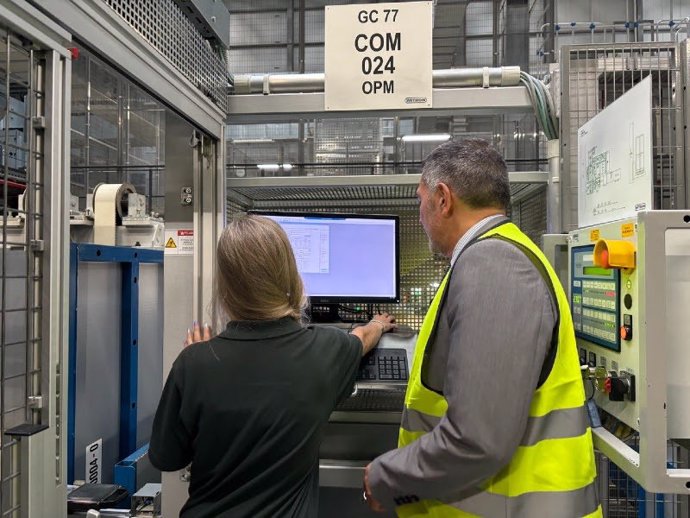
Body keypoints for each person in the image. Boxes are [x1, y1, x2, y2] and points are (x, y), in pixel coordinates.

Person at [363, 138, 601, 517]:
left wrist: (387, 477)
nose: (419, 215)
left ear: (443, 199)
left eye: (419, 200)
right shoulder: (495, 256)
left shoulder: (495, 265)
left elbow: (477, 440)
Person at [149, 214, 396, 518]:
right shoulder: (327, 349)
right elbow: (361, 338)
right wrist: (378, 323)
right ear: (290, 275)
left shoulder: (194, 362)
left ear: (225, 284)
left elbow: (166, 459)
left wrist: (199, 364)